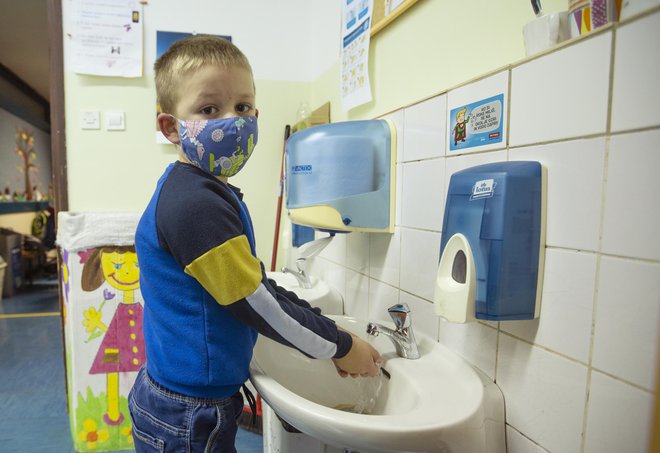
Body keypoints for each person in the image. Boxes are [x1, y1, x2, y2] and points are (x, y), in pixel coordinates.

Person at [128, 34, 382, 453]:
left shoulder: (205, 191)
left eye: (243, 107)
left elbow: (254, 282)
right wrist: (341, 346)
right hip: (188, 412)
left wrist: (327, 326)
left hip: (179, 398)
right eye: (209, 109)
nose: (233, 120)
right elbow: (253, 300)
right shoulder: (196, 206)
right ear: (171, 127)